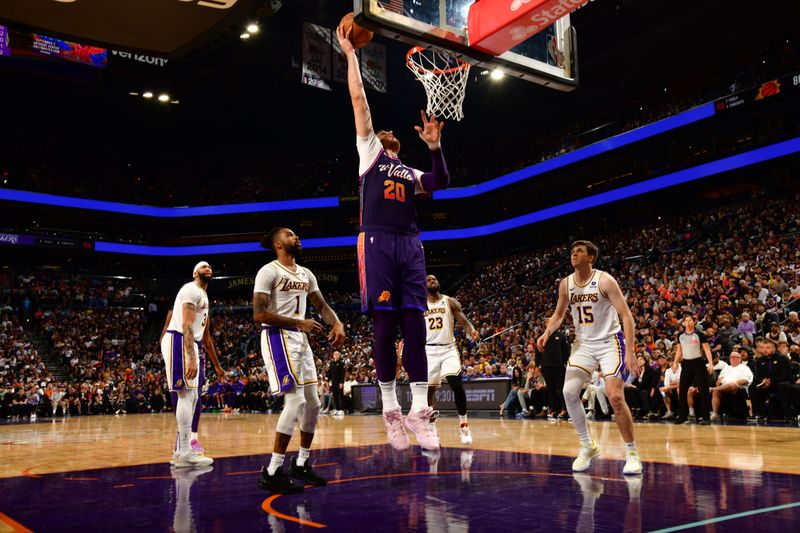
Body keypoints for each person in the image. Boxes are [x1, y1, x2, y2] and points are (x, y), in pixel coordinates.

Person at [337, 24, 452, 452]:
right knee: (384, 329)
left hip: (410, 242)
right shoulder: (369, 153)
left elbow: (439, 181)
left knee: (415, 327)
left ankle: (419, 410)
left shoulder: (409, 170)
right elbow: (359, 102)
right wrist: (350, 54)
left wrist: (436, 146)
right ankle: (390, 409)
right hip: (377, 241)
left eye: (391, 135)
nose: (384, 132)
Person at [538, 240, 643, 475]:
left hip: (610, 342)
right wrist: (547, 332)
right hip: (583, 344)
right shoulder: (566, 284)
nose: (574, 254)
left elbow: (626, 316)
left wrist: (631, 351)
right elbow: (558, 314)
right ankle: (588, 445)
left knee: (615, 396)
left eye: (579, 251)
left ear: (590, 258)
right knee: (568, 392)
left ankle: (632, 452)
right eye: (572, 251)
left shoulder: (605, 280)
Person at [254, 228, 345, 494]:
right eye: (290, 235)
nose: (297, 237)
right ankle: (272, 470)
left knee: (314, 402)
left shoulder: (306, 273)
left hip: (299, 339)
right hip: (277, 337)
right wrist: (299, 322)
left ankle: (302, 463)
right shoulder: (268, 271)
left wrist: (337, 322)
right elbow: (259, 314)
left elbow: (322, 305)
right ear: (278, 243)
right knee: (296, 400)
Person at [159, 261, 215, 468]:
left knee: (191, 396)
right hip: (180, 339)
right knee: (185, 394)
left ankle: (182, 450)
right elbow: (186, 324)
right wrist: (191, 356)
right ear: (194, 273)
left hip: (186, 342)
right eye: (203, 267)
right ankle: (183, 451)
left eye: (210, 267)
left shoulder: (203, 294)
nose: (207, 268)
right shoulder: (191, 289)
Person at [161, 308, 224, 464]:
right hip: (177, 352)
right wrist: (167, 356)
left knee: (195, 398)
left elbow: (207, 340)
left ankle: (193, 439)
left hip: (197, 357)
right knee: (179, 396)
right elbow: (164, 336)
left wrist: (217, 365)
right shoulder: (173, 313)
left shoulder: (204, 314)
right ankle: (181, 443)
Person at [424, 274, 479, 444]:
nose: (434, 281)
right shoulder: (420, 304)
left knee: (456, 384)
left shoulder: (449, 301)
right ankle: (433, 430)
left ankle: (464, 426)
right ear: (424, 285)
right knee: (429, 393)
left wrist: (471, 330)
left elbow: (463, 320)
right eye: (429, 280)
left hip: (448, 348)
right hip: (429, 350)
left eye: (435, 279)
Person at [672, 315, 714, 424]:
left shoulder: (700, 334)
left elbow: (707, 350)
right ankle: (682, 416)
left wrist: (710, 364)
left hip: (698, 363)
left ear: (694, 322)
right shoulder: (680, 335)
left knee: (703, 390)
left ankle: (705, 418)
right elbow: (679, 351)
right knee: (682, 390)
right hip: (686, 363)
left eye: (690, 320)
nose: (688, 322)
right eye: (686, 320)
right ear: (683, 323)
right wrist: (675, 362)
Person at [709, 349, 753, 422]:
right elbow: (718, 381)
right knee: (716, 392)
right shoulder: (726, 368)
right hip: (724, 388)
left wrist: (733, 383)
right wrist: (721, 383)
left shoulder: (744, 368)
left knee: (732, 384)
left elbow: (745, 380)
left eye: (735, 357)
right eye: (731, 357)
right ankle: (716, 413)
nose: (733, 358)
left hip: (739, 388)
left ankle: (712, 389)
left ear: (740, 359)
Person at [536, 326, 570, 419]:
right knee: (551, 390)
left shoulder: (561, 336)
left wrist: (563, 361)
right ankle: (554, 410)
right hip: (546, 367)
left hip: (558, 367)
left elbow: (566, 351)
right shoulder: (542, 337)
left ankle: (565, 409)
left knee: (561, 389)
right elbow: (537, 352)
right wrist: (537, 364)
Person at [329, 350, 346, 416]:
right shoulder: (332, 364)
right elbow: (329, 373)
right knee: (335, 396)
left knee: (340, 396)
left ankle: (342, 410)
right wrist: (327, 380)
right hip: (333, 383)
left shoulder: (342, 363)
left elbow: (343, 374)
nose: (336, 355)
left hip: (339, 382)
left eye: (337, 354)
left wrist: (341, 382)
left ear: (339, 356)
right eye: (335, 354)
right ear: (333, 356)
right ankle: (337, 409)